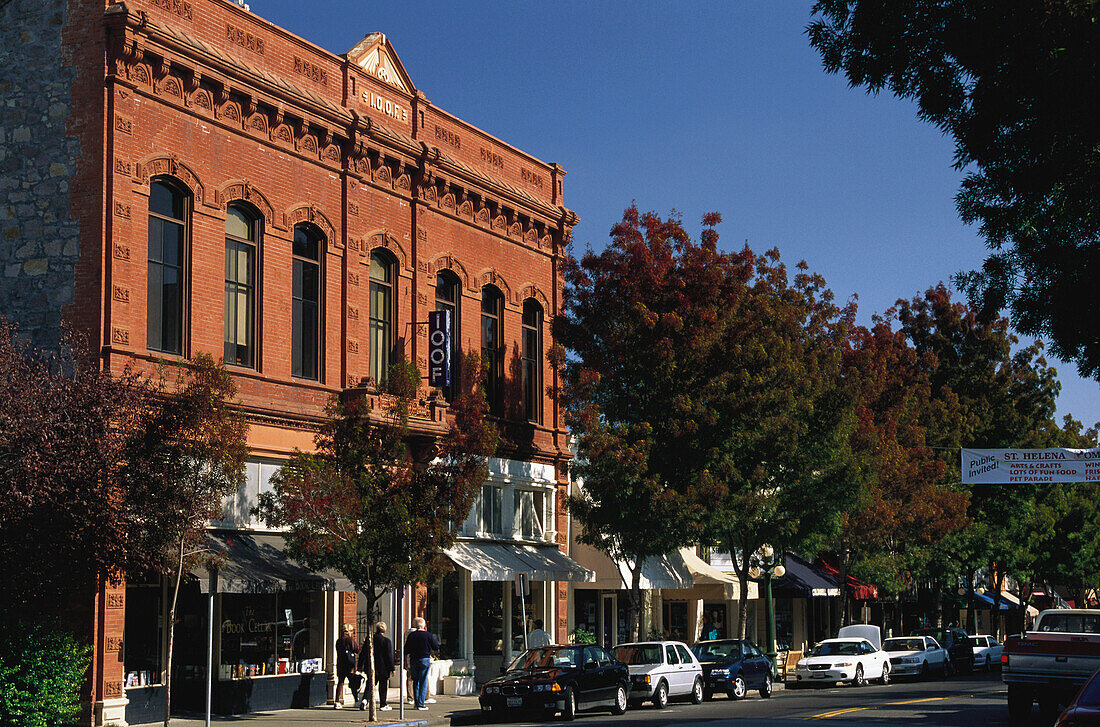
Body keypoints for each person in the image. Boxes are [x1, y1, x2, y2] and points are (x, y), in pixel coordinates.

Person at [404, 617, 440, 710]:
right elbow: (436, 646)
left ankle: (416, 703)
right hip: (424, 659)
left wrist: (405, 661)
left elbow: (406, 649)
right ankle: (421, 703)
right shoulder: (428, 635)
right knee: (423, 681)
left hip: (413, 659)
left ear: (415, 626)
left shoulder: (411, 635)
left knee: (415, 681)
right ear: (424, 626)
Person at [360, 622, 395, 711]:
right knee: (383, 686)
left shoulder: (369, 639)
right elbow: (389, 656)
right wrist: (392, 668)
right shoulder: (386, 641)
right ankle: (383, 704)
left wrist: (360, 665)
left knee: (370, 685)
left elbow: (363, 653)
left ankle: (364, 700)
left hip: (371, 666)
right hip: (383, 668)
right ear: (384, 630)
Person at [334, 624, 359, 709]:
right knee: (353, 683)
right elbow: (356, 649)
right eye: (351, 630)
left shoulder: (339, 640)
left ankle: (337, 701)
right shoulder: (350, 640)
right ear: (348, 631)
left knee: (340, 682)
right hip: (350, 665)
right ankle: (356, 700)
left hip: (341, 663)